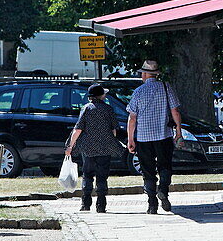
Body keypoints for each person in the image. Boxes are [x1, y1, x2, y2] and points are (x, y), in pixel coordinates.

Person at [126, 60, 182, 214]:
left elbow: (132, 118)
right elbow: (175, 111)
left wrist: (131, 139)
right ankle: (163, 189)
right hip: (163, 135)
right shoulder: (166, 87)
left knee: (147, 170)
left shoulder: (138, 91)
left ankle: (152, 204)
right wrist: (179, 131)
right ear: (156, 74)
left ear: (144, 74)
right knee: (165, 166)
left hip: (144, 138)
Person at [66, 84, 122, 213]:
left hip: (88, 149)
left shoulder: (86, 109)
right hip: (105, 148)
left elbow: (78, 129)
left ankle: (85, 204)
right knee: (102, 177)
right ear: (101, 95)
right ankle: (101, 205)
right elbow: (114, 131)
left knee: (87, 175)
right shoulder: (108, 109)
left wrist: (70, 146)